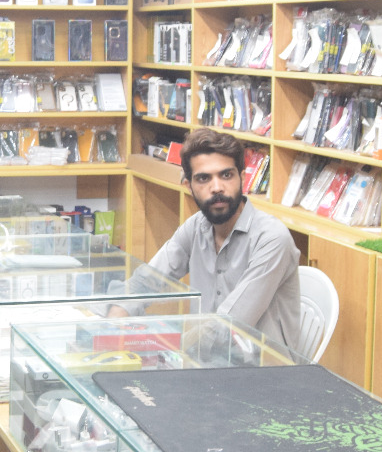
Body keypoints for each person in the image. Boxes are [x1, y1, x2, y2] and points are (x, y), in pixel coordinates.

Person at [122, 128, 301, 350]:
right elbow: (147, 281)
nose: (217, 188)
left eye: (226, 175)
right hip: (206, 358)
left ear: (242, 178)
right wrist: (115, 314)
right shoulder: (196, 227)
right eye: (204, 178)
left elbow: (228, 327)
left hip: (263, 366)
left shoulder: (272, 238)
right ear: (189, 186)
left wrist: (170, 349)